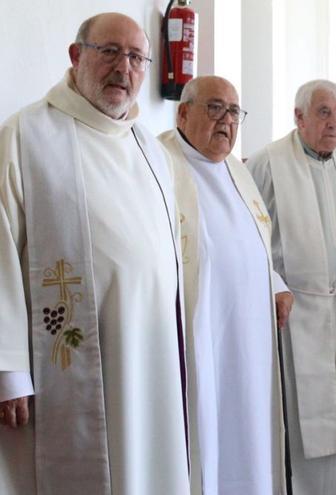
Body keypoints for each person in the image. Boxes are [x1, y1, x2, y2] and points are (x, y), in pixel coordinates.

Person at [0, 13, 189, 494]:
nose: (122, 68)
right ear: (76, 55)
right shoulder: (27, 135)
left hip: (152, 354)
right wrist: (10, 371)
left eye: (136, 57)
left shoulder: (150, 148)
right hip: (71, 364)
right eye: (109, 51)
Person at [157, 75, 289, 495]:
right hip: (201, 335)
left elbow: (253, 241)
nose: (227, 121)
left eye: (234, 111)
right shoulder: (159, 163)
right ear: (183, 113)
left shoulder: (236, 169)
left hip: (249, 337)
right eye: (214, 108)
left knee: (249, 426)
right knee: (206, 432)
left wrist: (275, 283)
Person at [249, 79, 336, 495]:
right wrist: (274, 284)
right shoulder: (267, 163)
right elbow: (250, 237)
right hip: (292, 315)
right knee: (298, 420)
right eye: (323, 112)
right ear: (298, 116)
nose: (333, 123)